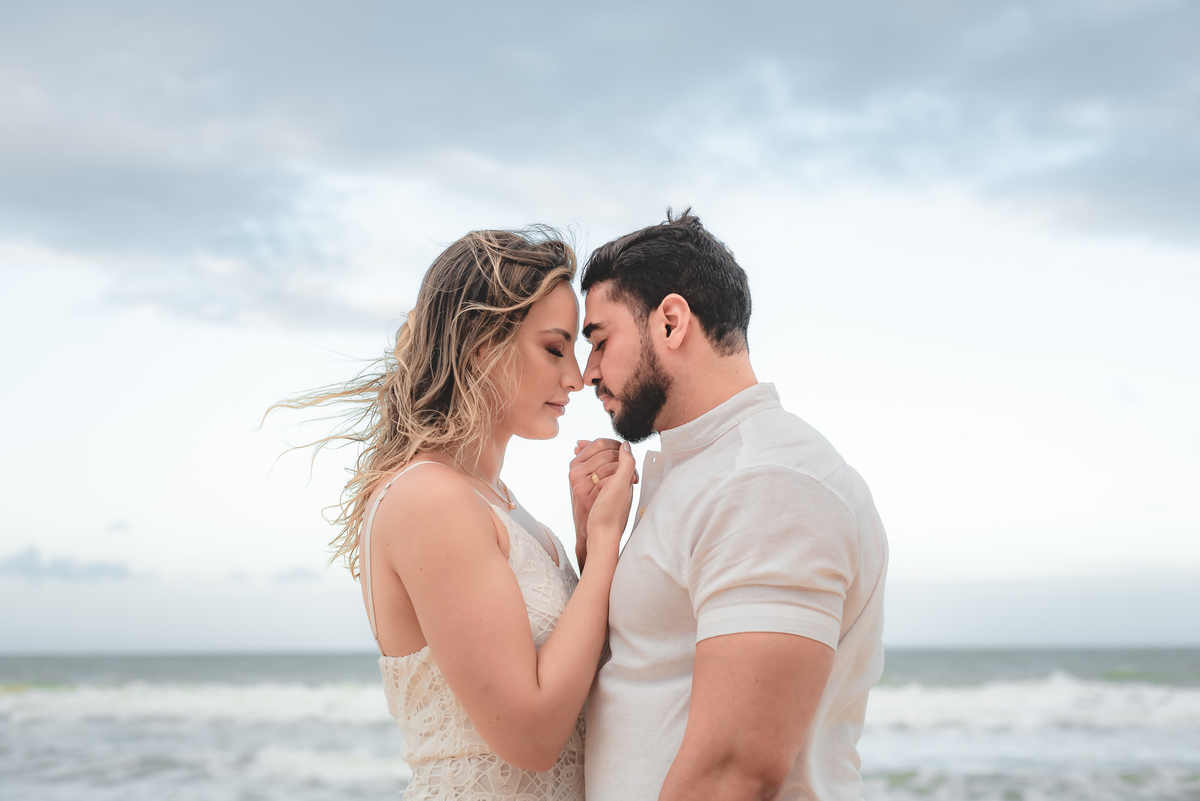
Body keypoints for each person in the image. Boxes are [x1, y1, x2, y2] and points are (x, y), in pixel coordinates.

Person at [279, 229, 636, 800]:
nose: (575, 377)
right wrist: (606, 546)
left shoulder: (504, 506)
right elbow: (534, 735)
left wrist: (589, 548)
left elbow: (576, 690)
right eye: (553, 348)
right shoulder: (431, 499)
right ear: (480, 344)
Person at [569, 210, 888, 801]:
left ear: (670, 322)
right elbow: (651, 676)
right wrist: (598, 551)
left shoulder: (768, 482)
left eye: (600, 340)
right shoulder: (710, 473)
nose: (587, 373)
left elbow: (734, 771)